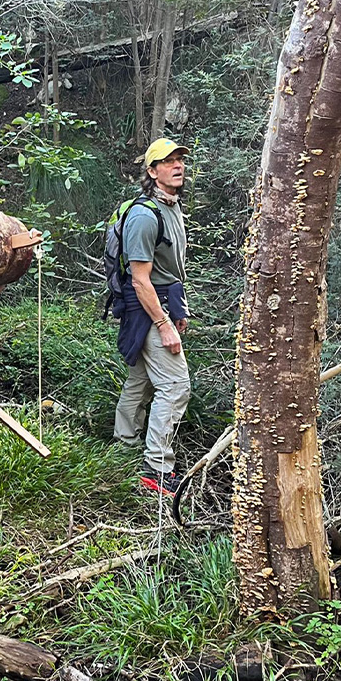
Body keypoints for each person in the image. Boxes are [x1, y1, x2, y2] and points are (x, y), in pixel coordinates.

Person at [112, 137, 192, 495]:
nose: (177, 165)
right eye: (168, 161)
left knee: (142, 379)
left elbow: (170, 271)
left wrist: (179, 310)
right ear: (152, 170)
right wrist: (163, 325)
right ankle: (157, 468)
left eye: (180, 159)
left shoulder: (171, 207)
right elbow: (141, 281)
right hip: (146, 308)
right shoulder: (145, 216)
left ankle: (123, 445)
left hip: (162, 302)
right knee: (176, 386)